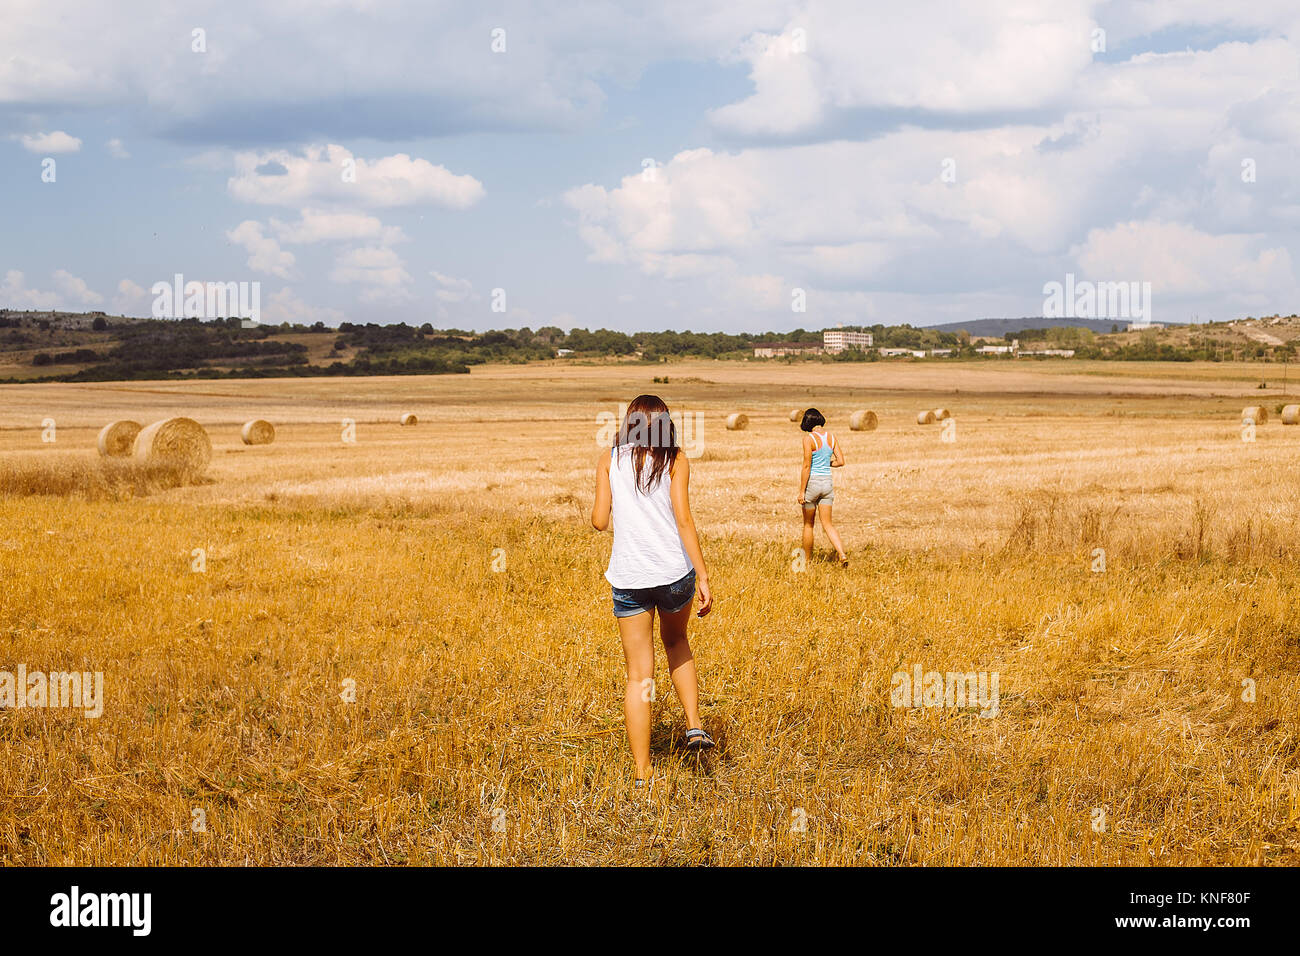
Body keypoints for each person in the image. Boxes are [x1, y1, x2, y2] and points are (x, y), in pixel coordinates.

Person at [591, 395, 713, 790]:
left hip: (629, 578)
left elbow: (598, 522)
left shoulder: (610, 459)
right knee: (676, 641)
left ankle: (642, 770)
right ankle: (694, 725)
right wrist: (704, 576)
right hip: (674, 574)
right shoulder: (676, 459)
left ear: (629, 422)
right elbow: (684, 520)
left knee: (638, 675)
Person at [797, 407, 848, 566]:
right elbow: (840, 461)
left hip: (813, 483)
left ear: (807, 422)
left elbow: (807, 466)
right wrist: (827, 463)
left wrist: (801, 491)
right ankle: (842, 554)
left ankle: (806, 562)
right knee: (828, 524)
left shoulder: (809, 439)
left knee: (808, 525)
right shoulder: (831, 437)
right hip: (827, 483)